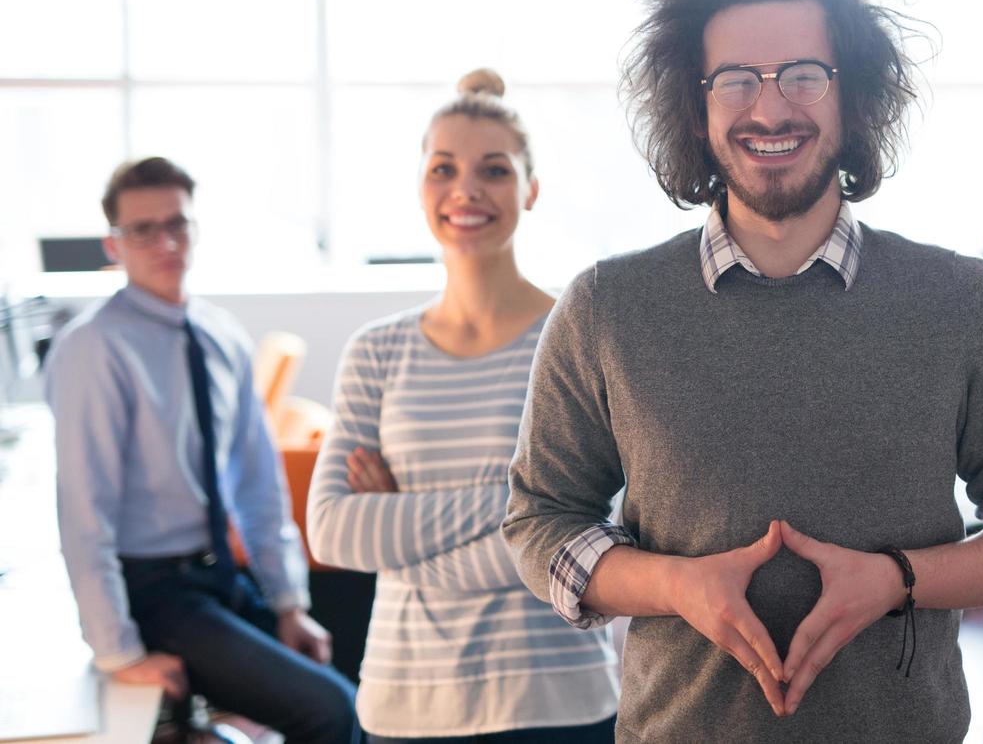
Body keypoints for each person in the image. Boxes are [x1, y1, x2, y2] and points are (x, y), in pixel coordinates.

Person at [501, 0, 983, 743]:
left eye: (803, 77)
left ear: (853, 100)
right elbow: (541, 521)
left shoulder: (963, 302)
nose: (771, 108)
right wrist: (676, 586)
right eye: (737, 79)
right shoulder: (607, 308)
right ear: (696, 101)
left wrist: (899, 580)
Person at [306, 71, 620, 744]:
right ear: (421, 186)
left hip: (558, 703)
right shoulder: (376, 351)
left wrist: (396, 537)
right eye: (443, 168)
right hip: (405, 703)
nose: (466, 190)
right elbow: (332, 529)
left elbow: (601, 531)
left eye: (495, 170)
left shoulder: (580, 336)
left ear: (530, 189)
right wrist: (526, 505)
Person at [47, 157, 358, 743]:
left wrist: (288, 602)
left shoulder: (221, 337)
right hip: (153, 590)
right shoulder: (93, 349)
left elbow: (257, 485)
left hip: (219, 577)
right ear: (114, 244)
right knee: (329, 713)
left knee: (361, 698)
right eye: (143, 229)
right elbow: (84, 517)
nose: (165, 241)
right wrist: (118, 651)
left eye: (178, 224)